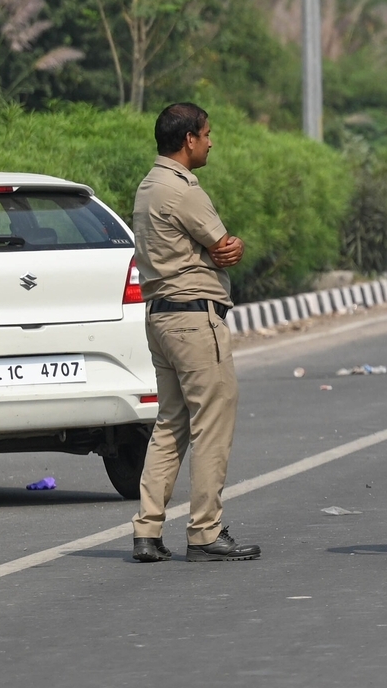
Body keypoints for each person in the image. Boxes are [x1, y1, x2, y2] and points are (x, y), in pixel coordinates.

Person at [129, 103, 260, 563]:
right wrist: (233, 245)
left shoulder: (148, 185)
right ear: (188, 139)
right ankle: (205, 530)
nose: (210, 141)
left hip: (161, 317)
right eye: (206, 134)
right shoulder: (181, 189)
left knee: (170, 424)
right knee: (212, 424)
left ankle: (147, 529)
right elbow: (222, 245)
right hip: (193, 318)